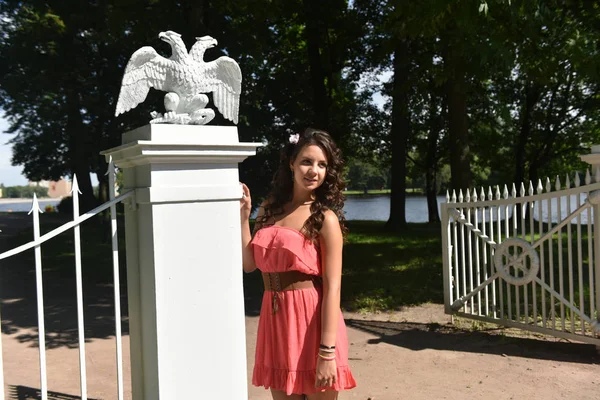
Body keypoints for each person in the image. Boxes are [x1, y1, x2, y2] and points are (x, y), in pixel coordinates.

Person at [240, 128, 357, 399]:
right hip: (276, 320)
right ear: (291, 162)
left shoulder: (325, 219)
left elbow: (333, 290)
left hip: (313, 322)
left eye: (322, 165)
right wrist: (244, 218)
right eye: (306, 161)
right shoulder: (268, 209)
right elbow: (250, 265)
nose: (313, 170)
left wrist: (327, 351)